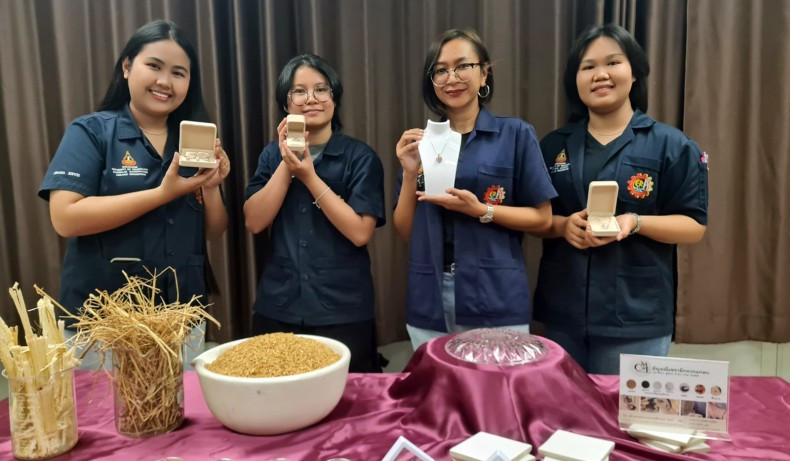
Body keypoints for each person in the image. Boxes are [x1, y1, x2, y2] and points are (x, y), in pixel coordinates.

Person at [38, 20, 230, 367]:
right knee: (105, 404)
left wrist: (212, 186)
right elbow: (65, 218)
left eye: (178, 73)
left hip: (181, 319)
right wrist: (162, 194)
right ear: (127, 66)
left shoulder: (192, 141)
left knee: (180, 402)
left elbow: (214, 231)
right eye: (154, 66)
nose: (165, 81)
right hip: (104, 324)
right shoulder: (91, 131)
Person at [533, 24, 709, 374]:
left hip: (637, 317)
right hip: (563, 313)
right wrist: (563, 226)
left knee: (624, 412)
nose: (600, 74)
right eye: (587, 67)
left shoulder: (671, 145)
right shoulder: (553, 146)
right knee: (563, 407)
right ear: (575, 79)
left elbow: (694, 226)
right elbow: (535, 218)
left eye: (613, 63)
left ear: (635, 72)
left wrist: (635, 222)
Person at [393, 28, 556, 351]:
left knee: (498, 384)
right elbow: (406, 231)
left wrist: (482, 210)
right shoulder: (422, 143)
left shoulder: (515, 134)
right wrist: (410, 174)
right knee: (439, 384)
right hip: (430, 295)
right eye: (440, 70)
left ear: (484, 74)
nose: (451, 78)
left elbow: (543, 220)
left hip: (495, 293)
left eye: (463, 66)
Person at [244, 54, 385, 373]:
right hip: (279, 305)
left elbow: (360, 232)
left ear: (334, 98)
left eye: (321, 89)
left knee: (350, 396)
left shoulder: (360, 158)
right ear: (286, 104)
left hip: (343, 309)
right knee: (274, 394)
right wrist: (287, 163)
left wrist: (309, 176)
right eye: (299, 91)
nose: (311, 99)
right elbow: (254, 221)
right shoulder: (271, 155)